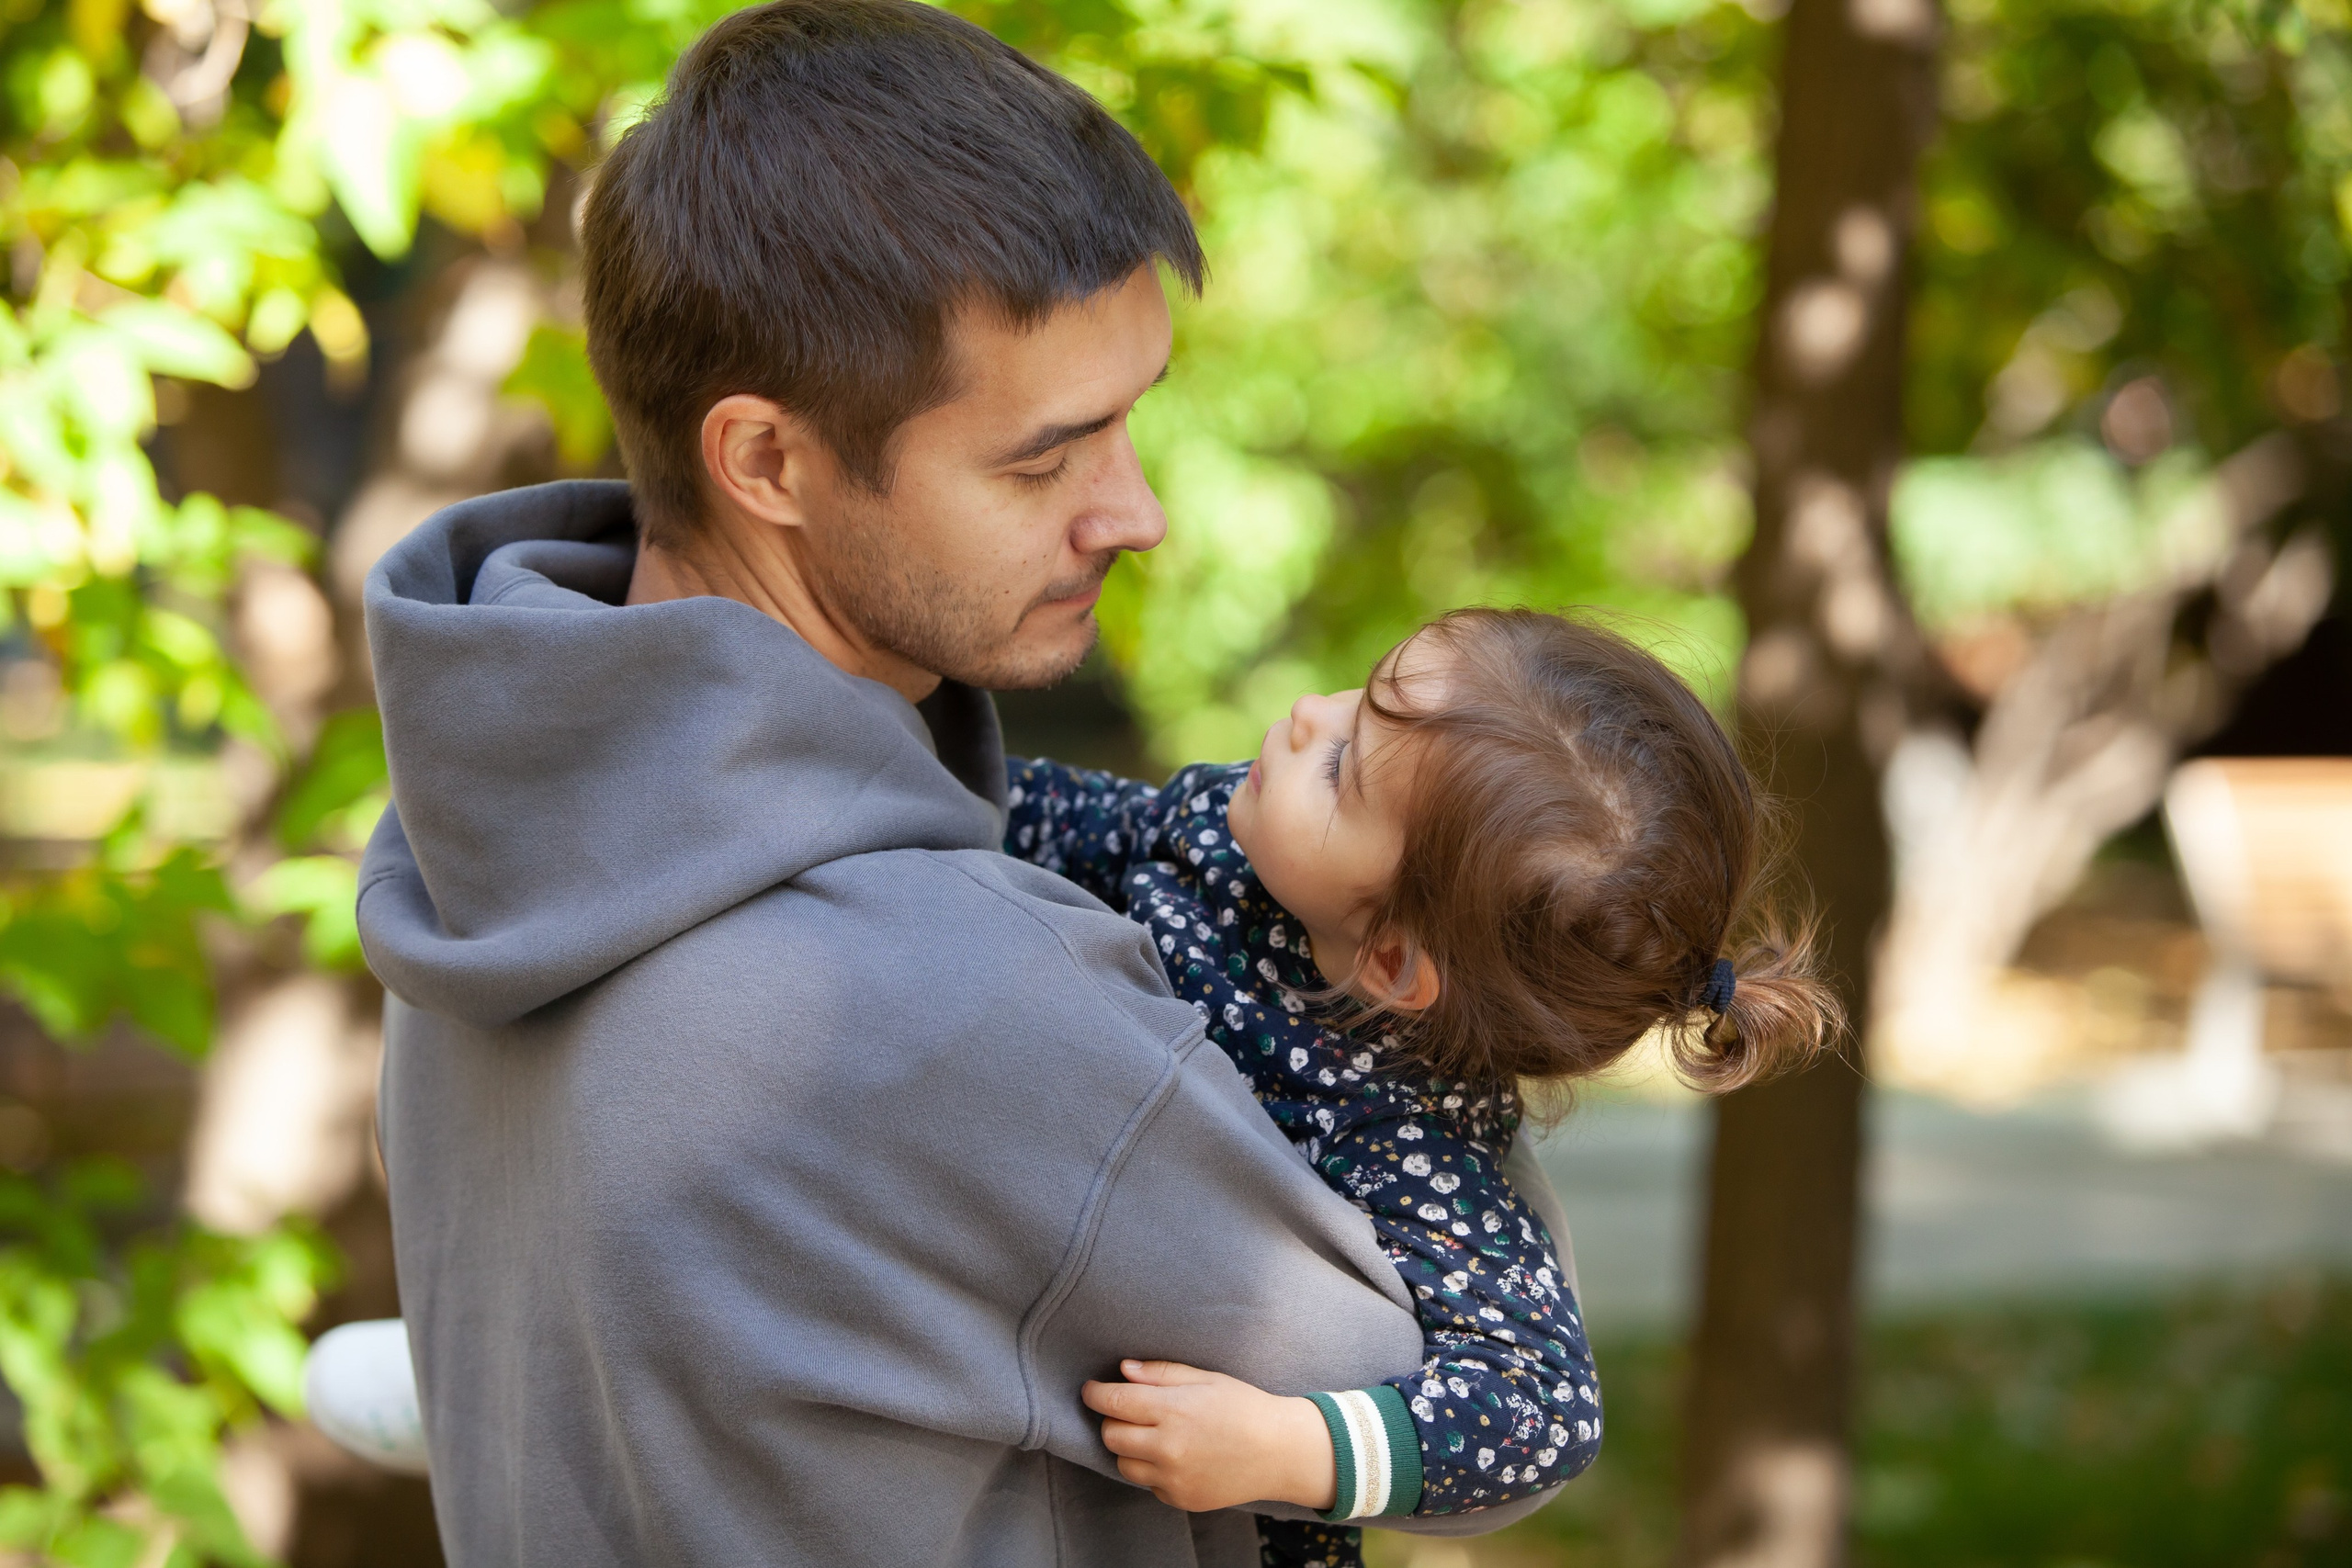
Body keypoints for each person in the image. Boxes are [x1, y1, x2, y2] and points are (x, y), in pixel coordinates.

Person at [356, 4, 1567, 1563]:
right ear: (770, 462)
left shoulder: (484, 858)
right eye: (1041, 458)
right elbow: (1478, 1408)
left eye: (1132, 418)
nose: (1136, 514)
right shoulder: (953, 998)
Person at [1003, 609, 1841, 1568]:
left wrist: (1288, 1447)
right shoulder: (1228, 836)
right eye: (1359, 696)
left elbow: (1538, 1413)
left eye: (1342, 768)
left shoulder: (1406, 1136)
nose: (1307, 713)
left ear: (1396, 962)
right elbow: (1060, 821)